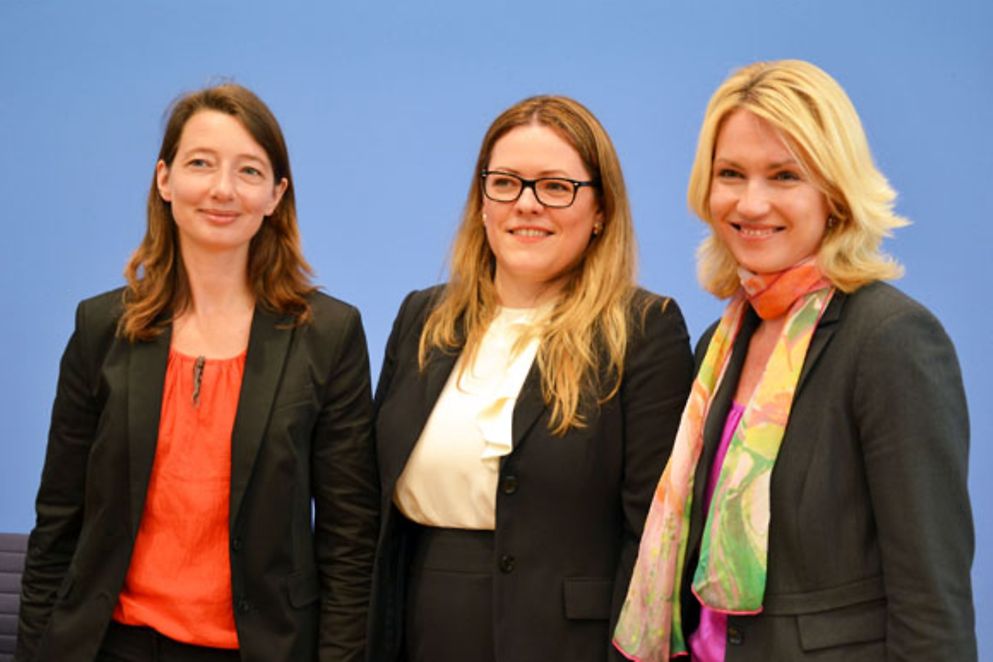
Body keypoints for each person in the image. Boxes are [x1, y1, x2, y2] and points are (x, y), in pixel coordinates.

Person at [614, 59, 976, 661]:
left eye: (784, 176)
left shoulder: (893, 340)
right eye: (731, 173)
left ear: (833, 193)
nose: (751, 203)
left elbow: (932, 604)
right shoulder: (720, 345)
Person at [16, 84, 379, 662]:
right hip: (111, 644)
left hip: (258, 648)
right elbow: (58, 522)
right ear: (164, 180)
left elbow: (350, 541)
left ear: (276, 195)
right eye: (200, 163)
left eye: (249, 171)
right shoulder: (100, 327)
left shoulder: (328, 336)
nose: (222, 189)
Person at [367, 95, 693, 662]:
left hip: (568, 643)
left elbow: (653, 540)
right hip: (423, 630)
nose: (527, 205)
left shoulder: (643, 330)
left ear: (600, 211)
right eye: (507, 183)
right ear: (481, 201)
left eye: (555, 186)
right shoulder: (422, 318)